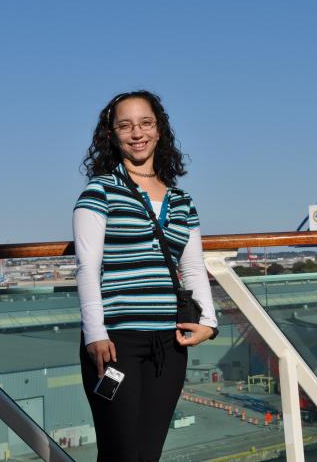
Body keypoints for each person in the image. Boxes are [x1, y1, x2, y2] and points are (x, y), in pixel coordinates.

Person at [73, 90, 218, 461]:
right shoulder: (100, 191)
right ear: (112, 135)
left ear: (159, 130)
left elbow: (192, 267)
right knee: (119, 451)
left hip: (169, 344)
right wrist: (95, 333)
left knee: (148, 452)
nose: (137, 133)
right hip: (115, 342)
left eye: (145, 123)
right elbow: (87, 267)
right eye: (126, 126)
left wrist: (209, 322)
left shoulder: (182, 201)